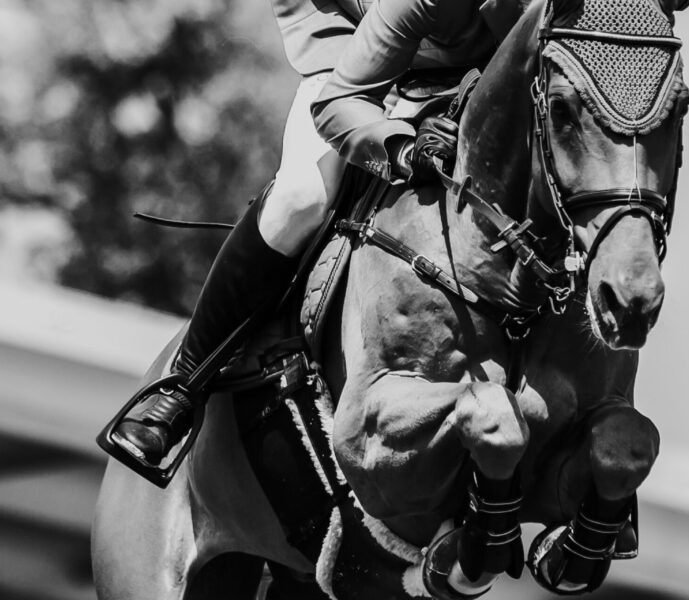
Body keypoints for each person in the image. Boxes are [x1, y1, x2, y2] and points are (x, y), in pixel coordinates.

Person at [105, 0, 522, 473]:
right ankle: (182, 385)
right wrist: (403, 147)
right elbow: (340, 100)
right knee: (303, 197)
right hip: (352, 53)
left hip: (473, 70)